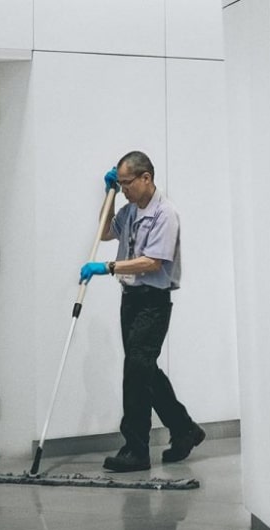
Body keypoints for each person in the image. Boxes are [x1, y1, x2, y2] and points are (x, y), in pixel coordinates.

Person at [79, 151, 204, 472]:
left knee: (136, 372)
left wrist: (107, 266)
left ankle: (136, 449)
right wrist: (106, 196)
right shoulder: (129, 210)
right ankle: (184, 429)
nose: (124, 190)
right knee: (145, 371)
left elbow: (153, 261)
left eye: (126, 184)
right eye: (119, 185)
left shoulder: (165, 213)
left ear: (145, 178)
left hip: (153, 300)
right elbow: (105, 232)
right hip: (131, 298)